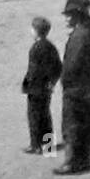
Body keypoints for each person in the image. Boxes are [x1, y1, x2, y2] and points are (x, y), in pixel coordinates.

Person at [56, 0, 90, 175]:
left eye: (69, 15)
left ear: (78, 15)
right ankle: (84, 159)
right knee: (84, 123)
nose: (66, 18)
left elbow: (72, 65)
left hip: (76, 88)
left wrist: (64, 81)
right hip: (88, 86)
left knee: (72, 124)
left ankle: (72, 162)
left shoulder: (79, 36)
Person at [21, 16, 62, 154]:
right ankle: (48, 145)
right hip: (46, 88)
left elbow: (33, 70)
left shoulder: (36, 48)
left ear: (36, 31)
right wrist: (52, 82)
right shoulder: (50, 47)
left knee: (34, 117)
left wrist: (28, 84)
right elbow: (58, 67)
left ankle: (35, 144)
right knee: (45, 116)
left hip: (36, 88)